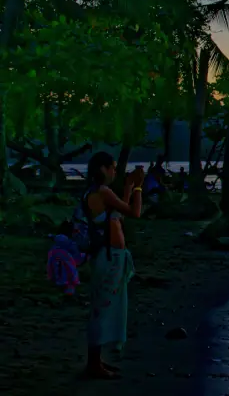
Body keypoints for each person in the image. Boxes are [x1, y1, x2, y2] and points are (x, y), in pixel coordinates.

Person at [82, 152, 143, 380]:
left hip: (107, 256)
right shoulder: (102, 192)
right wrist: (138, 188)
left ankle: (96, 361)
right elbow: (135, 212)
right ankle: (93, 364)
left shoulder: (94, 192)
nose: (115, 172)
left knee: (104, 307)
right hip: (108, 258)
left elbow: (121, 214)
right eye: (113, 168)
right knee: (102, 308)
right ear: (104, 168)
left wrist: (128, 186)